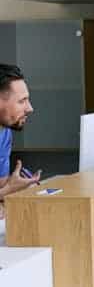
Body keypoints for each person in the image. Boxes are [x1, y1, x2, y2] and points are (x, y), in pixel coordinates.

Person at [0, 64, 39, 222]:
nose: (30, 108)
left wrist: (15, 187)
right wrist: (9, 190)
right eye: (22, 101)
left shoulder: (4, 133)